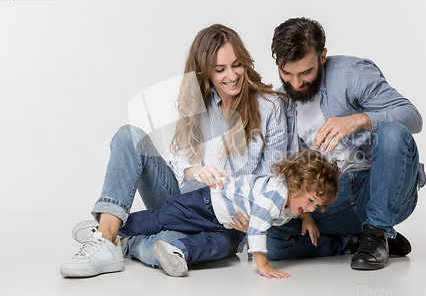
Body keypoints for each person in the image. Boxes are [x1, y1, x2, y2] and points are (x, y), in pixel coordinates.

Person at [60, 24, 288, 277]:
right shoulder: (199, 102)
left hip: (225, 220)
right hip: (184, 201)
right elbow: (178, 158)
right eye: (220, 69)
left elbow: (275, 176)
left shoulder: (271, 107)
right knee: (130, 135)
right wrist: (194, 171)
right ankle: (105, 238)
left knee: (162, 250)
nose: (232, 76)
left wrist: (255, 219)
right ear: (205, 72)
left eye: (237, 65)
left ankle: (117, 238)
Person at [266, 17, 426, 270]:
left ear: (322, 57)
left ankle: (377, 230)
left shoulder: (352, 74)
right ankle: (357, 241)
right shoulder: (283, 101)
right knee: (270, 243)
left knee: (393, 133)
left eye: (305, 73)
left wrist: (360, 119)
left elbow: (413, 117)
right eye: (286, 73)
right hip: (328, 197)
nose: (295, 84)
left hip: (378, 187)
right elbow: (291, 171)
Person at [116, 150, 340, 279]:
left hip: (223, 224)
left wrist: (307, 217)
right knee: (161, 219)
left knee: (220, 246)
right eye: (311, 201)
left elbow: (302, 206)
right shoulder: (275, 195)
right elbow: (256, 228)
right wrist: (263, 265)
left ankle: (177, 251)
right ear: (295, 184)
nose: (311, 208)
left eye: (317, 206)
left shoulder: (293, 199)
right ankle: (115, 226)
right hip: (205, 204)